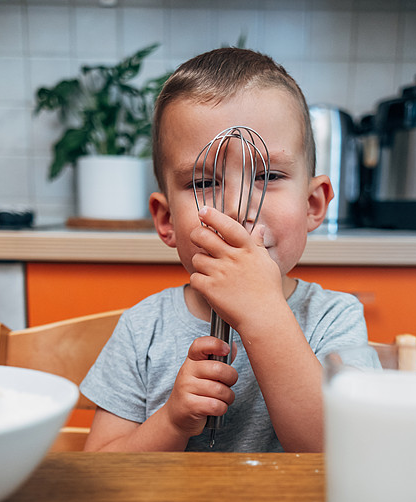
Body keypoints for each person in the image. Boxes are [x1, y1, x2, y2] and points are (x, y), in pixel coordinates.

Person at [81, 47, 368, 453]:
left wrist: (263, 312)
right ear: (166, 220)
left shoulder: (334, 319)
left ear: (313, 204)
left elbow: (342, 453)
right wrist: (172, 421)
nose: (235, 208)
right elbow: (101, 467)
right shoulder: (142, 330)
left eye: (268, 175)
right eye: (203, 183)